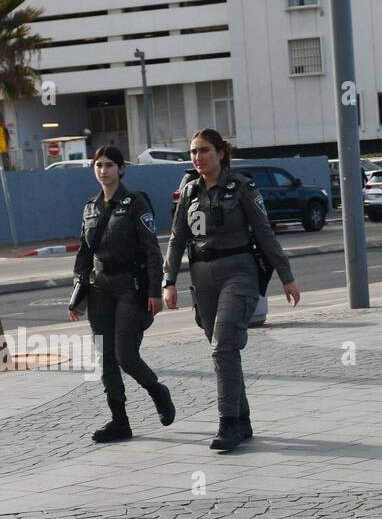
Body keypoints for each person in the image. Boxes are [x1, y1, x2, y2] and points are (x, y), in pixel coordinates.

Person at [163, 129, 301, 451]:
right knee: (221, 350)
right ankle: (243, 419)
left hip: (238, 271)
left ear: (221, 153)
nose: (198, 157)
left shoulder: (241, 187)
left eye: (205, 150)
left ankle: (228, 423)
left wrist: (287, 276)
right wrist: (168, 281)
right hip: (202, 277)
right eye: (194, 152)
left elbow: (265, 233)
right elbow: (176, 239)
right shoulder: (189, 191)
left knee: (223, 345)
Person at [69, 146, 174, 443]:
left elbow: (153, 251)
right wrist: (77, 293)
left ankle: (157, 391)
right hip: (100, 287)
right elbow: (84, 253)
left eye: (110, 165)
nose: (104, 170)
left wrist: (155, 290)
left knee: (126, 356)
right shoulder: (90, 207)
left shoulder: (136, 203)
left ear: (121, 169)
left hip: (130, 287)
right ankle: (119, 420)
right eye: (99, 165)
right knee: (106, 358)